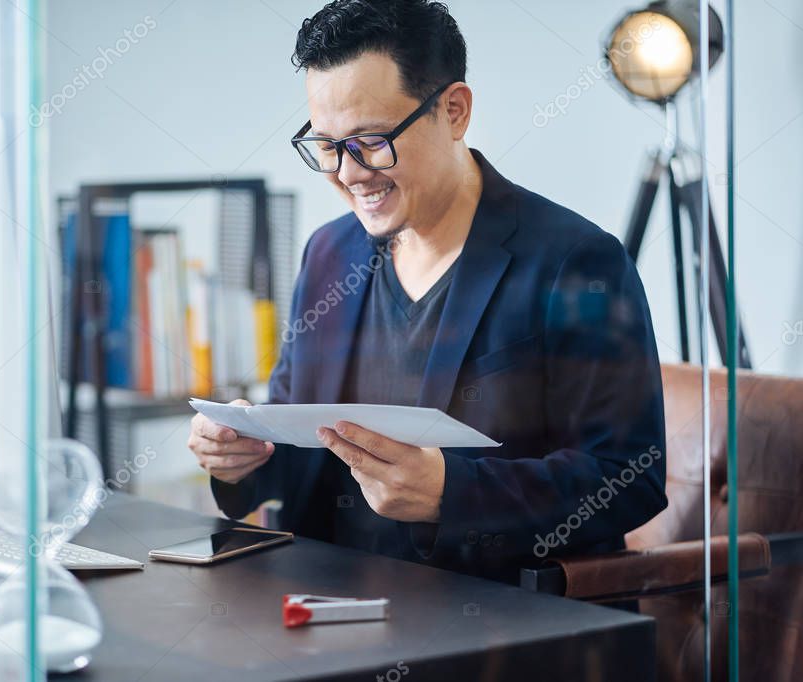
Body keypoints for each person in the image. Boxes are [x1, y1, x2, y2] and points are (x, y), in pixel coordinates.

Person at [187, 0, 667, 584]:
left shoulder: (574, 261)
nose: (348, 173)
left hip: (495, 625)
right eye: (327, 146)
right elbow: (299, 450)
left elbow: (629, 477)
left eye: (370, 140)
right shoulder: (327, 254)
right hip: (322, 609)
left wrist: (451, 493)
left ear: (455, 111)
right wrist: (243, 457)